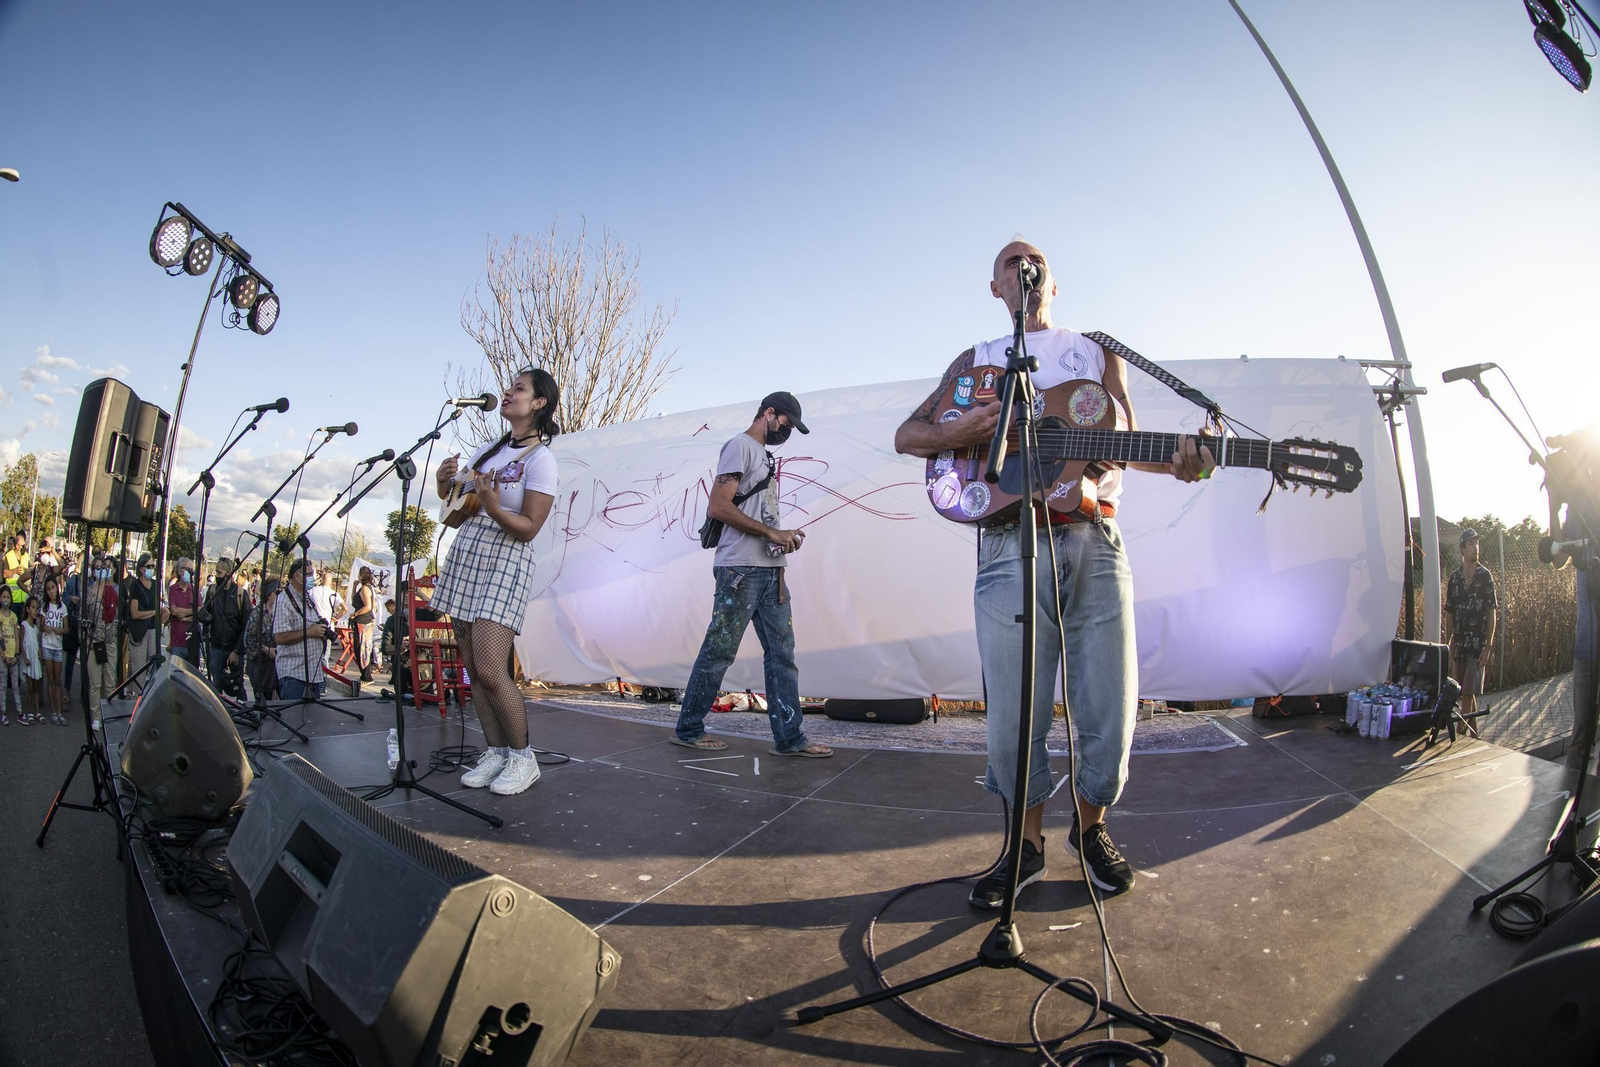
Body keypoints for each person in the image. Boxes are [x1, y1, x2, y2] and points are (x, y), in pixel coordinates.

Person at [894, 240, 1212, 907]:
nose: (1022, 269)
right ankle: (1027, 844)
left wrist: (1183, 458)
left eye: (1032, 261)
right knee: (1014, 714)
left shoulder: (1095, 351)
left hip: (1093, 539)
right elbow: (908, 435)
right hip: (1008, 544)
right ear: (995, 287)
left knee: (1109, 706)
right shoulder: (975, 361)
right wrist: (966, 430)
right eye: (1011, 262)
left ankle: (1091, 831)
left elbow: (1127, 440)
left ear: (1053, 284)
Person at [672, 391, 831, 759]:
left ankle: (790, 739)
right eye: (785, 424)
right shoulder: (740, 446)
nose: (786, 432)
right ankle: (689, 729)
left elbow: (757, 513)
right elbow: (718, 505)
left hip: (770, 570)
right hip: (740, 570)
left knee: (782, 656)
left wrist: (781, 536)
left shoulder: (762, 454)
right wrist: (772, 533)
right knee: (720, 650)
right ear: (769, 413)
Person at [431, 366, 562, 796]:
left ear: (538, 404)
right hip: (470, 550)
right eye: (509, 387)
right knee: (473, 666)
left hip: (507, 555)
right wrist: (442, 481)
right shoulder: (489, 450)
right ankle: (495, 751)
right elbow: (457, 500)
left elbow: (528, 527)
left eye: (518, 389)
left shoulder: (541, 460)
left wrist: (491, 503)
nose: (507, 393)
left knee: (490, 666)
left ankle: (523, 758)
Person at [1445, 528, 1497, 732]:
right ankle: (1474, 734)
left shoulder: (1485, 577)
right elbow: (1449, 613)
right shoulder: (1455, 579)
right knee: (1465, 691)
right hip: (1459, 645)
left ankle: (1461, 735)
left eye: (1477, 544)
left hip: (1477, 645)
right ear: (1462, 550)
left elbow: (1492, 612)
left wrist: (1488, 646)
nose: (1476, 548)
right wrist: (1446, 643)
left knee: (1467, 692)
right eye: (1471, 544)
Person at [274, 558, 332, 700]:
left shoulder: (306, 597)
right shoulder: (284, 600)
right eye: (308, 574)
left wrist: (321, 632)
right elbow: (279, 637)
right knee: (293, 719)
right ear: (296, 575)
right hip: (294, 675)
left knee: (313, 720)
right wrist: (309, 632)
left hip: (313, 673)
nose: (312, 578)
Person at [198, 556, 250, 699]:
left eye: (219, 573)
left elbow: (246, 625)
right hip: (216, 647)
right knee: (216, 687)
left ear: (228, 574)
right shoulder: (213, 591)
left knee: (238, 686)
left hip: (234, 648)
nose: (217, 576)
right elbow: (206, 611)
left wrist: (237, 651)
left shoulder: (241, 594)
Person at [84, 555, 119, 729]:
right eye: (97, 567)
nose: (101, 570)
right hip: (94, 642)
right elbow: (82, 620)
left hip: (110, 641)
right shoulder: (89, 593)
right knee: (95, 682)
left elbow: (116, 616)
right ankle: (96, 716)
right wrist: (85, 643)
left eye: (103, 567)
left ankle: (110, 715)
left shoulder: (112, 591)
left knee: (110, 682)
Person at [124, 552, 164, 693]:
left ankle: (151, 696)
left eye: (153, 566)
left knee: (153, 665)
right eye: (149, 566)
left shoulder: (155, 585)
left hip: (153, 630)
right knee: (139, 667)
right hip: (140, 631)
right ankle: (137, 698)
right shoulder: (135, 585)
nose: (152, 568)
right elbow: (134, 613)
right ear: (141, 568)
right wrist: (153, 613)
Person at [245, 579, 281, 702]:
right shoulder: (257, 613)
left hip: (277, 664)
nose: (279, 595)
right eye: (276, 592)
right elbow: (250, 640)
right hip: (262, 665)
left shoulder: (280, 612)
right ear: (268, 594)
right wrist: (266, 650)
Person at [40, 576, 67, 725]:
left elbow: (67, 628)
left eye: (53, 588)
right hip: (47, 646)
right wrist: (46, 628)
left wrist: (60, 630)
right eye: (48, 589)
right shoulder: (45, 607)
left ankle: (59, 711)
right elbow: (41, 626)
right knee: (50, 679)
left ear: (57, 588)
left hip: (58, 646)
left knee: (58, 679)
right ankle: (53, 712)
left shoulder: (63, 607)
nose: (51, 591)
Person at [350, 567, 378, 682]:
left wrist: (355, 614)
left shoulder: (366, 589)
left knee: (362, 648)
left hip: (363, 621)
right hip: (361, 621)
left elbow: (368, 606)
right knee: (359, 648)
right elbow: (354, 601)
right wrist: (354, 587)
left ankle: (367, 676)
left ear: (362, 575)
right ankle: (364, 675)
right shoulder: (363, 589)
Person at [18, 595, 43, 724]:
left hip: (35, 658)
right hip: (28, 658)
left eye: (37, 608)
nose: (35, 611)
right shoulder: (24, 625)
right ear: (27, 609)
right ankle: (30, 711)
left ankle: (38, 711)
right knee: (30, 687)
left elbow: (36, 642)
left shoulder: (35, 627)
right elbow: (21, 643)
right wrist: (25, 657)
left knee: (36, 686)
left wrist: (39, 651)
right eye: (33, 608)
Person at [168, 557, 197, 662]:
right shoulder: (173, 589)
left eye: (192, 570)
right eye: (188, 569)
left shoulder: (194, 590)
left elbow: (200, 611)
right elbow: (174, 611)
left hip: (192, 643)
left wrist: (185, 617)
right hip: (177, 642)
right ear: (180, 571)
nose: (191, 573)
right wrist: (192, 611)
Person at [0, 593, 18, 724]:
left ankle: (20, 712)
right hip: (3, 656)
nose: (6, 600)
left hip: (13, 656)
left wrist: (16, 655)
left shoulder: (14, 617)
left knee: (15, 685)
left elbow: (17, 637)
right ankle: (3, 712)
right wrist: (3, 655)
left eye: (8, 597)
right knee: (3, 684)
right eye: (3, 597)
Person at [4, 532, 30, 622]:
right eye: (21, 546)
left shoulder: (26, 556)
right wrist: (15, 570)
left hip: (24, 599)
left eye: (24, 545)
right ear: (16, 545)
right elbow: (4, 574)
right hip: (13, 598)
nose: (23, 548)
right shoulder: (8, 556)